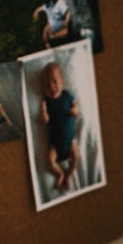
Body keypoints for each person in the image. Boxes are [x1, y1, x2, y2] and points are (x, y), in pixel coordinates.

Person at [38, 60, 79, 191]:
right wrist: (43, 112)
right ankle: (60, 173)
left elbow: (75, 107)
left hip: (69, 141)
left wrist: (74, 111)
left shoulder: (67, 96)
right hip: (55, 143)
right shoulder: (47, 103)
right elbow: (45, 121)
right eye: (47, 85)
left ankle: (69, 174)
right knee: (50, 161)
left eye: (55, 81)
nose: (51, 87)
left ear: (62, 82)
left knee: (76, 158)